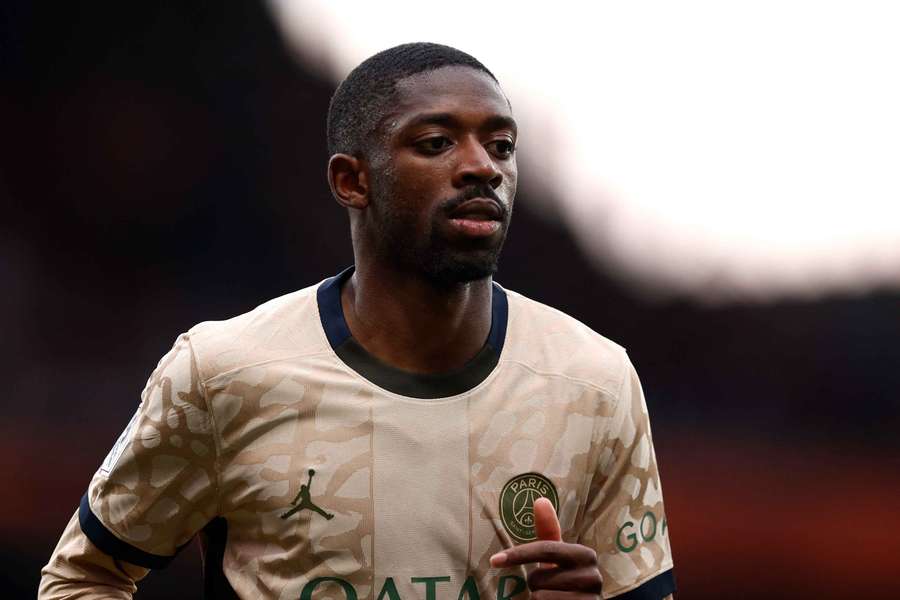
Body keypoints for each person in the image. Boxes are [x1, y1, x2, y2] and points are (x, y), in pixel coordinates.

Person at [40, 42, 675, 600]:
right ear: (352, 180)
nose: (483, 165)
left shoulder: (594, 382)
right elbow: (83, 577)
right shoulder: (223, 373)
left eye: (502, 145)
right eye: (436, 143)